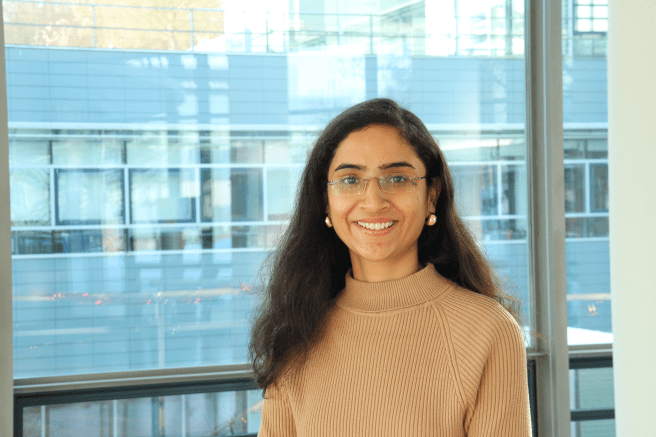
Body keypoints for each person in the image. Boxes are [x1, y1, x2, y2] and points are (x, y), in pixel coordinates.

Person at [249, 98, 532, 436]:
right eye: (350, 180)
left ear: (431, 195)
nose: (373, 201)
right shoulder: (297, 331)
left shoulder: (488, 331)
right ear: (325, 201)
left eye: (397, 178)